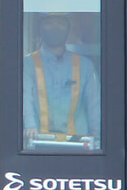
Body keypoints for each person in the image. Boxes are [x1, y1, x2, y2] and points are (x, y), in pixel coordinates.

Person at [23, 12, 100, 149]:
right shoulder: (27, 64)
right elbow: (25, 98)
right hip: (36, 146)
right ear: (40, 28)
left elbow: (94, 106)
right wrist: (30, 126)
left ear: (68, 28)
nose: (55, 27)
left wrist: (99, 141)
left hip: (78, 147)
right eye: (49, 23)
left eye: (60, 23)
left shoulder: (85, 66)